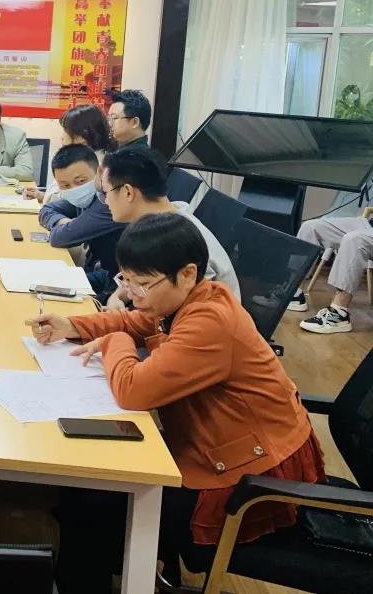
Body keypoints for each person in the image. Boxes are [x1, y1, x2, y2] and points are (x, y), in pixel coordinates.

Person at [29, 213, 323, 592]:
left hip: (251, 479)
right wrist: (74, 326)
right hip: (222, 447)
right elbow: (137, 323)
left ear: (186, 274)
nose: (132, 294)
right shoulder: (186, 300)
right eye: (126, 281)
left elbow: (133, 390)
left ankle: (96, 573)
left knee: (93, 498)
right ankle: (100, 566)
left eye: (142, 284)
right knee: (89, 490)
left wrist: (114, 343)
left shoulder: (210, 321)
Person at [98, 148, 240, 304]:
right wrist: (117, 297)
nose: (106, 201)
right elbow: (142, 278)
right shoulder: (161, 222)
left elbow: (188, 311)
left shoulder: (177, 240)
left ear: (128, 192)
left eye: (106, 193)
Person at [38, 145, 124, 296]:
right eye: (65, 185)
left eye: (81, 181)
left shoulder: (107, 203)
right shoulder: (83, 198)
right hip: (104, 274)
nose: (74, 189)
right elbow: (46, 210)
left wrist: (67, 229)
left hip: (118, 285)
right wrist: (62, 222)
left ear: (99, 172)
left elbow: (59, 238)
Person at [292, 215, 373, 334]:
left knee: (354, 240)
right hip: (368, 224)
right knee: (310, 227)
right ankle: (292, 292)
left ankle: (338, 314)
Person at [25, 103, 115, 201]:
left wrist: (47, 198)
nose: (62, 137)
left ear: (81, 137)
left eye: (65, 130)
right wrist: (41, 196)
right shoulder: (80, 158)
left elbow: (70, 202)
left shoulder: (91, 167)